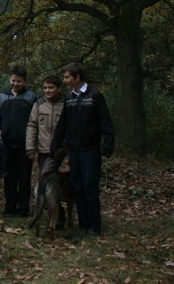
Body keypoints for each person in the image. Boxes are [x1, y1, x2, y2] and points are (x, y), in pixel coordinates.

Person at [51, 62, 114, 239]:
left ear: (77, 77)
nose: (64, 81)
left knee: (89, 188)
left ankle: (94, 228)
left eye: (67, 77)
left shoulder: (95, 96)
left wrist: (108, 147)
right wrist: (54, 146)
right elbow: (63, 124)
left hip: (90, 151)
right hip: (75, 151)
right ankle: (83, 226)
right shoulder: (70, 97)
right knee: (77, 188)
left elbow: (106, 122)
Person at [0, 65, 37, 217]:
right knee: (9, 178)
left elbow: (36, 120)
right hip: (7, 145)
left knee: (24, 179)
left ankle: (23, 209)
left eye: (19, 81)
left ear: (25, 81)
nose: (15, 84)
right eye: (13, 80)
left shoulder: (32, 97)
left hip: (25, 145)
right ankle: (9, 208)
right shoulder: (2, 97)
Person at [26, 75, 65, 172]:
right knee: (45, 176)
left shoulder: (65, 104)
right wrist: (30, 147)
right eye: (45, 88)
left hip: (62, 149)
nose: (47, 90)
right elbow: (32, 126)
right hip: (44, 150)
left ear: (59, 89)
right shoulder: (39, 104)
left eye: (51, 87)